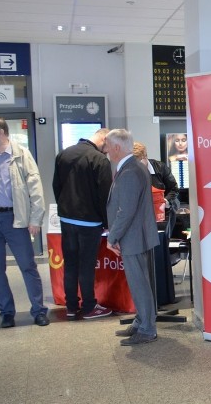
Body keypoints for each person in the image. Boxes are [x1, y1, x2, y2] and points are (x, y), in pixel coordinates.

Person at [0, 116, 50, 328]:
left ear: (0, 132)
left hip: (15, 219)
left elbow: (35, 188)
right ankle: (6, 312)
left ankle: (39, 310)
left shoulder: (21, 155)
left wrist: (35, 218)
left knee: (28, 266)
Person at [103, 129, 160, 345]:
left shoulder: (130, 171)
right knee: (140, 283)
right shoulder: (133, 167)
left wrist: (112, 237)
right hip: (136, 236)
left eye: (108, 145)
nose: (105, 149)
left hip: (133, 237)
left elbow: (126, 211)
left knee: (139, 284)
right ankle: (141, 321)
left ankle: (146, 328)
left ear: (117, 147)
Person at [52, 128, 113, 320]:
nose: (108, 151)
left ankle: (71, 306)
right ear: (104, 139)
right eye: (108, 146)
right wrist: (107, 222)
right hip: (89, 221)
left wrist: (64, 209)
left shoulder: (64, 153)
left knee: (70, 264)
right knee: (86, 265)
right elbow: (105, 195)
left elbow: (56, 185)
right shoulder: (100, 159)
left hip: (67, 219)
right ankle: (88, 307)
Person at [132, 142, 179, 232]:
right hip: (142, 214)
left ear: (145, 157)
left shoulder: (161, 168)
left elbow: (174, 189)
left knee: (161, 242)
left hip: (164, 212)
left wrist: (163, 202)